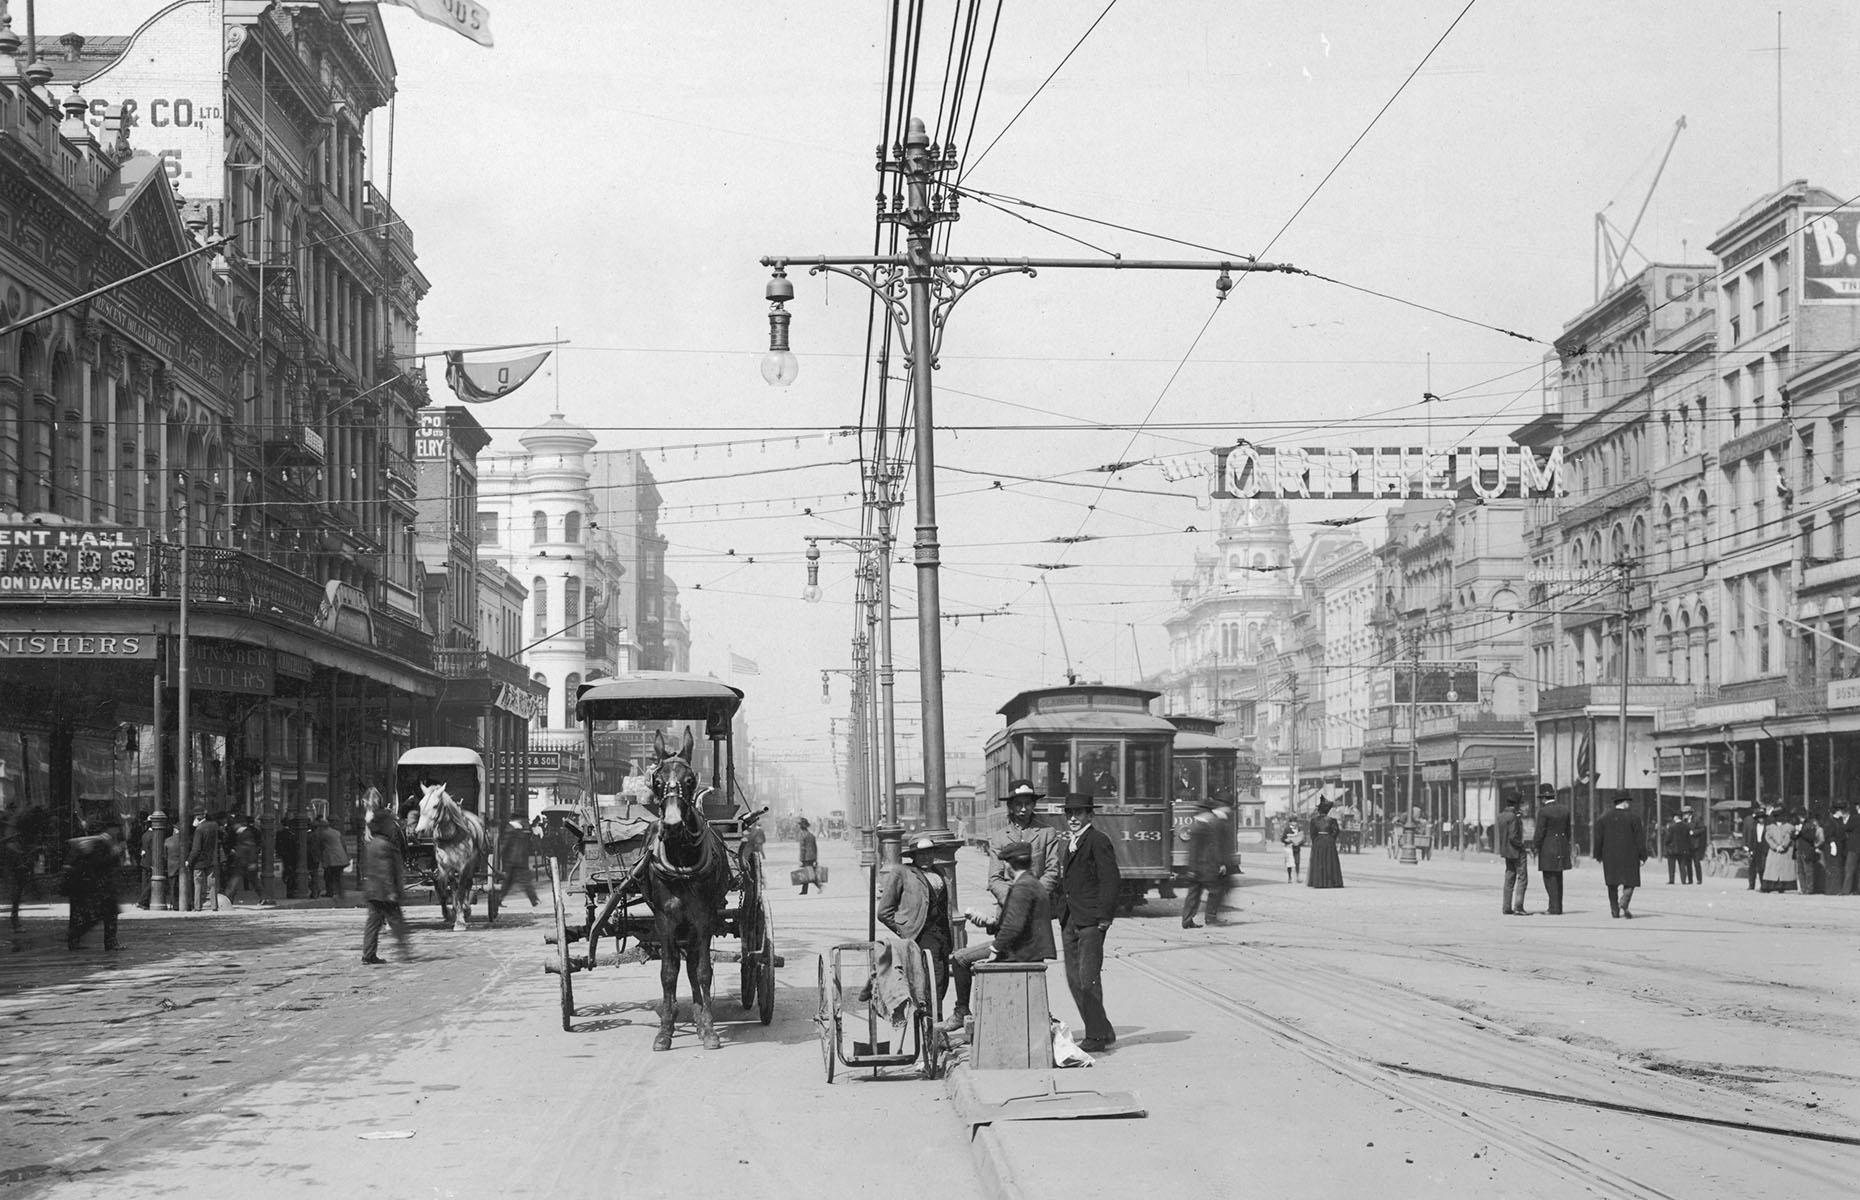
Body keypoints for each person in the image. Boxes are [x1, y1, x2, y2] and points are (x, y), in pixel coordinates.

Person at [948, 839, 1057, 1030]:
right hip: (1028, 947)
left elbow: (1013, 928)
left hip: (1022, 951)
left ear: (1008, 864)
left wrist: (994, 950)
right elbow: (1019, 923)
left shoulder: (1022, 887)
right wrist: (991, 922)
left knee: (960, 959)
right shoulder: (1032, 882)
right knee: (966, 957)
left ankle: (961, 1011)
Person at [1056, 791, 1120, 1053]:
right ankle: (1102, 1029)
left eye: (1078, 813)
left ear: (1090, 815)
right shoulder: (1070, 842)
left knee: (1087, 979)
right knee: (1073, 979)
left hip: (1091, 920)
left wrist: (1104, 918)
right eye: (1069, 813)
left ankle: (1096, 1036)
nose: (1072, 818)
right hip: (1070, 918)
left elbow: (1110, 880)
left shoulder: (1098, 840)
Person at [876, 836, 953, 1017]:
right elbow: (883, 912)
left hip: (942, 935)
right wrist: (904, 930)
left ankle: (932, 1027)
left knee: (942, 983)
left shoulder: (939, 872)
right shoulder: (903, 872)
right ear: (914, 855)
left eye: (930, 852)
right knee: (932, 983)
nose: (927, 857)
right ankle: (935, 1030)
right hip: (922, 935)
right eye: (922, 854)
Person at [987, 780, 1062, 907]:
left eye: (1027, 803)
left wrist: (1033, 897)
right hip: (1009, 908)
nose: (1023, 808)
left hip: (1037, 906)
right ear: (1010, 806)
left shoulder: (1047, 833)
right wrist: (1011, 900)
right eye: (1018, 804)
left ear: (1033, 805)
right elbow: (994, 878)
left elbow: (1052, 871)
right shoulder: (999, 837)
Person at [359, 813, 411, 965]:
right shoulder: (384, 845)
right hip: (384, 893)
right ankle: (404, 953)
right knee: (397, 924)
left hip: (373, 892)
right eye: (390, 825)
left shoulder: (372, 844)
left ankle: (368, 955)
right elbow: (385, 870)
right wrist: (391, 892)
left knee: (372, 925)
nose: (392, 828)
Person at [63, 829, 121, 951]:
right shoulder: (99, 844)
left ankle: (74, 939)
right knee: (105, 914)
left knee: (82, 915)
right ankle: (109, 943)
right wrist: (114, 854)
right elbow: (99, 864)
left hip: (84, 887)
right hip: (97, 887)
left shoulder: (84, 843)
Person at [1592, 792, 1648, 919]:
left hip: (1610, 856)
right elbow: (1640, 839)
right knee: (1630, 881)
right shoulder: (1634, 818)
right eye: (1628, 801)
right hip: (1630, 855)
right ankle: (1624, 901)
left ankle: (1614, 910)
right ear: (1624, 802)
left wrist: (1598, 855)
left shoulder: (1603, 818)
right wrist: (1643, 855)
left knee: (1612, 883)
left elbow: (1598, 839)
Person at [1180, 797, 1233, 927]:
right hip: (1206, 867)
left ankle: (1187, 920)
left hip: (1196, 867)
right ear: (1206, 812)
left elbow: (1192, 851)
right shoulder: (1205, 827)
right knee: (1216, 890)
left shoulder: (1196, 825)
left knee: (1193, 894)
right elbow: (1212, 848)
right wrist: (1220, 863)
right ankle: (1210, 918)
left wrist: (1191, 869)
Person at [1531, 783, 1572, 915]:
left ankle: (1553, 908)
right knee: (1559, 877)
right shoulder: (1565, 809)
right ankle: (1558, 906)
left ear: (1543, 798)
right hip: (1561, 846)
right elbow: (1568, 830)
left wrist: (1534, 846)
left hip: (1548, 848)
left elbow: (1540, 832)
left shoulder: (1543, 811)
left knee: (1549, 878)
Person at [1495, 792, 1532, 915]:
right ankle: (1518, 907)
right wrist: (1522, 846)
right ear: (1516, 804)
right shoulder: (1514, 817)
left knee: (1509, 879)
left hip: (1506, 851)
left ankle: (1506, 907)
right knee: (1522, 878)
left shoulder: (1501, 816)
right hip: (1516, 851)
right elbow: (1513, 836)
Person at [495, 817, 538, 908]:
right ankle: (534, 900)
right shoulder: (513, 829)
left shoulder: (517, 829)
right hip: (516, 861)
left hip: (515, 860)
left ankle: (499, 899)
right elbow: (505, 845)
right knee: (524, 881)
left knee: (508, 882)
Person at [1305, 799, 1344, 889]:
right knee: (1330, 861)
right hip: (1329, 841)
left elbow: (1312, 833)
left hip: (1318, 841)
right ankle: (1331, 881)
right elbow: (1336, 831)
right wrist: (1331, 838)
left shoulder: (1314, 820)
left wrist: (1316, 840)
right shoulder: (1332, 820)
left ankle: (1318, 882)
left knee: (1319, 861)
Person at [188, 811, 221, 911]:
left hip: (199, 861)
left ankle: (197, 906)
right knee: (212, 884)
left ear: (196, 818)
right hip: (211, 859)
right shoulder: (214, 826)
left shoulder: (199, 829)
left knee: (198, 884)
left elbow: (196, 849)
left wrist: (189, 860)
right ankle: (214, 906)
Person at [314, 816, 350, 905]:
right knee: (338, 876)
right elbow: (343, 844)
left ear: (321, 826)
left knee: (328, 876)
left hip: (332, 858)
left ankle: (330, 892)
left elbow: (318, 846)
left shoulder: (322, 833)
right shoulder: (336, 832)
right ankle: (340, 893)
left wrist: (319, 857)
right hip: (341, 857)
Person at [1760, 808, 1797, 893]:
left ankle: (1779, 886)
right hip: (1777, 851)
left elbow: (1788, 836)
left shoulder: (1788, 827)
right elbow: (1768, 838)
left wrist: (1781, 846)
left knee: (1781, 869)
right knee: (1775, 869)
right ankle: (1776, 886)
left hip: (1782, 851)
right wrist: (1777, 847)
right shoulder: (1771, 827)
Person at [1792, 811, 1824, 895]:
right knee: (1800, 871)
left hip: (1807, 850)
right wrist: (1796, 832)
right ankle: (1803, 888)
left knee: (1808, 870)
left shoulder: (1810, 825)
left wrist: (1801, 832)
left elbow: (1811, 837)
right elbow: (1793, 837)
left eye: (1802, 816)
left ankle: (1810, 889)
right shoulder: (1798, 825)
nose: (1801, 818)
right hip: (1798, 850)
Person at [1832, 799, 1859, 897]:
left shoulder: (1855, 818)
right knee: (1856, 869)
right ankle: (1856, 889)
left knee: (1849, 869)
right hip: (1853, 847)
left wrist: (1838, 819)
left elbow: (1845, 828)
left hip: (1853, 847)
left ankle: (1845, 891)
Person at [1664, 809, 1693, 885]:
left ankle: (1671, 880)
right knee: (1682, 865)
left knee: (1671, 865)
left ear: (1676, 818)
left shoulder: (1671, 827)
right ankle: (1683, 880)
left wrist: (1666, 844)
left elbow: (1668, 838)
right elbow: (1688, 838)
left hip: (1672, 849)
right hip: (1683, 849)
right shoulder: (1686, 826)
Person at [1744, 804, 1770, 891]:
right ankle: (1751, 885)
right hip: (1755, 847)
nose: (1761, 819)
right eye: (1759, 818)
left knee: (1762, 867)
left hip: (1763, 847)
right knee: (1752, 867)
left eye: (1762, 818)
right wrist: (1749, 848)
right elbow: (1751, 838)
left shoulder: (1767, 827)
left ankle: (1763, 885)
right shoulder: (1753, 827)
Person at [796, 817, 821, 894]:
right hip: (812, 857)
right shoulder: (811, 835)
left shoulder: (802, 835)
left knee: (807, 874)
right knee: (809, 873)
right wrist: (816, 859)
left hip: (806, 858)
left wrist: (801, 859)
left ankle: (818, 886)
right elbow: (815, 848)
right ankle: (805, 890)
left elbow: (802, 848)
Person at [1280, 815, 1306, 883]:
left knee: (1297, 862)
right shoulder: (1287, 829)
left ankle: (1297, 877)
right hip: (1289, 848)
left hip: (1297, 848)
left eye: (1295, 822)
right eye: (1292, 822)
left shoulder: (1299, 829)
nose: (1294, 823)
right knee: (1289, 863)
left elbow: (1302, 838)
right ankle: (1289, 877)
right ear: (1290, 822)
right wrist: (1287, 841)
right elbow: (1282, 839)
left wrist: (1300, 842)